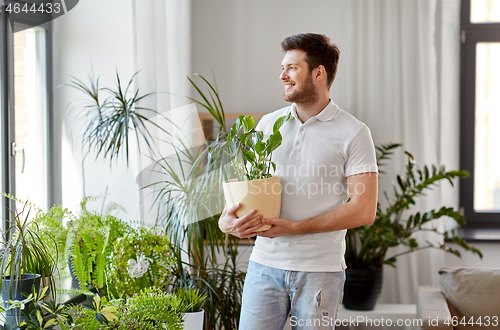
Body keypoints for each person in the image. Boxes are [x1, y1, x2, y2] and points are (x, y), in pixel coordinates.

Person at [218, 33, 379, 330]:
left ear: (319, 73)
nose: (282, 75)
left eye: (292, 68)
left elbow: (364, 209)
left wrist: (294, 229)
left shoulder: (355, 133)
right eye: (283, 67)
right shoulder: (268, 125)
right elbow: (249, 190)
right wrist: (227, 222)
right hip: (264, 266)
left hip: (320, 272)